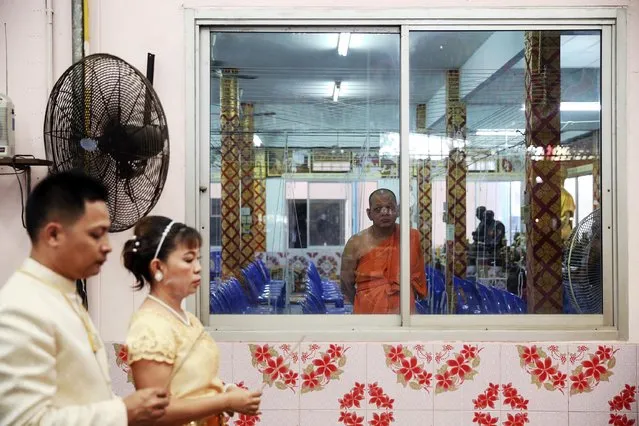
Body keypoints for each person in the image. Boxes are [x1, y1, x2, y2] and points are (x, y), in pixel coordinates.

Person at [0, 171, 169, 425]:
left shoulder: (61, 296)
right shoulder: (22, 308)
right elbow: (25, 422)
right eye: (96, 234)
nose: (108, 246)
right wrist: (123, 411)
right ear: (54, 235)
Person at [122, 216, 262, 426]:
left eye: (198, 259)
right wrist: (224, 401)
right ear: (158, 267)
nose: (198, 268)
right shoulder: (149, 326)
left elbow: (192, 384)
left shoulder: (187, 318)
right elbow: (155, 412)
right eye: (188, 260)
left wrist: (226, 389)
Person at [340, 189, 427, 314]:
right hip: (368, 309)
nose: (385, 212)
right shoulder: (356, 242)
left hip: (402, 310)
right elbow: (346, 284)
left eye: (389, 207)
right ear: (369, 214)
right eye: (378, 209)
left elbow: (417, 277)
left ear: (397, 211)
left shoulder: (410, 237)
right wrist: (366, 301)